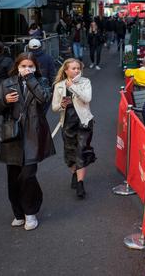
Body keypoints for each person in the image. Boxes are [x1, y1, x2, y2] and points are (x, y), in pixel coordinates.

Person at [0, 53, 55, 231]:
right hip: (13, 135)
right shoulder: (7, 83)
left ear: (36, 68)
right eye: (23, 66)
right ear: (17, 67)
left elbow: (43, 99)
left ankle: (30, 212)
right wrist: (4, 101)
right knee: (13, 177)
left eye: (30, 66)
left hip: (34, 134)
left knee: (27, 175)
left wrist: (31, 79)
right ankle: (18, 213)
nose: (27, 69)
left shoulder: (41, 82)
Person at [51, 58, 95, 199]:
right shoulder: (59, 85)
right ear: (66, 70)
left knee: (81, 151)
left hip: (84, 122)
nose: (76, 71)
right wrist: (62, 105)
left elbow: (87, 98)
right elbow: (54, 107)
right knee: (70, 154)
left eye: (78, 68)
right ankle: (74, 174)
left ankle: (80, 183)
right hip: (68, 124)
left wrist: (73, 87)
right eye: (73, 68)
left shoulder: (85, 82)